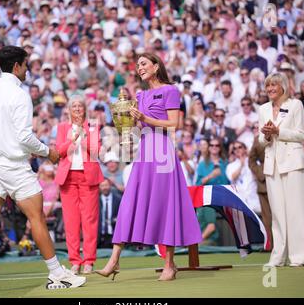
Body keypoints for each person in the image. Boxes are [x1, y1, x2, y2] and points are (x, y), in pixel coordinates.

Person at [0, 46, 86, 295]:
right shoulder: (19, 94)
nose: (27, 70)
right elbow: (24, 137)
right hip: (13, 166)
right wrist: (49, 152)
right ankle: (57, 274)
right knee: (36, 217)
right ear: (17, 66)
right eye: (26, 65)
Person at [95, 53, 202, 281]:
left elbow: (174, 124)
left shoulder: (171, 91)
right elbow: (138, 125)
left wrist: (144, 117)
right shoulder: (141, 95)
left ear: (156, 66)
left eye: (144, 64)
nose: (139, 68)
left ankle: (169, 264)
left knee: (165, 206)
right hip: (144, 152)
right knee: (129, 202)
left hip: (163, 151)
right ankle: (114, 260)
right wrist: (128, 119)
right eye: (138, 65)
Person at [258, 72, 304, 267]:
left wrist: (278, 131)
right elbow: (260, 140)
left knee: (296, 211)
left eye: (274, 85)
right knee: (278, 214)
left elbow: (301, 135)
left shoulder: (295, 104)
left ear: (283, 87)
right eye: (268, 86)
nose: (270, 89)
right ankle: (278, 256)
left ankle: (300, 257)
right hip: (272, 165)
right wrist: (267, 136)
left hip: (293, 163)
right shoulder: (263, 109)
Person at [55, 95, 103, 275]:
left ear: (85, 109)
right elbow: (59, 151)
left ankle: (89, 261)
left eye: (79, 106)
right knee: (71, 222)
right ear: (68, 110)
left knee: (90, 221)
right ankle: (75, 261)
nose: (76, 109)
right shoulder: (62, 127)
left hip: (88, 177)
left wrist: (82, 138)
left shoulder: (92, 126)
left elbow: (96, 150)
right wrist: (71, 140)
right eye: (73, 106)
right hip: (68, 179)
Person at [248, 132, 273, 251]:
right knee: (267, 217)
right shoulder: (257, 139)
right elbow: (251, 160)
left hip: (282, 178)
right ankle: (270, 245)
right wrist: (260, 173)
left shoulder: (282, 133)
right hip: (264, 184)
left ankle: (289, 244)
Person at [98, 178, 121, 249]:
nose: (104, 188)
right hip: (100, 235)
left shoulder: (118, 199)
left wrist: (117, 219)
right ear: (99, 187)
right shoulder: (95, 200)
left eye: (106, 185)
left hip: (114, 234)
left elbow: (123, 215)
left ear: (110, 185)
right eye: (102, 186)